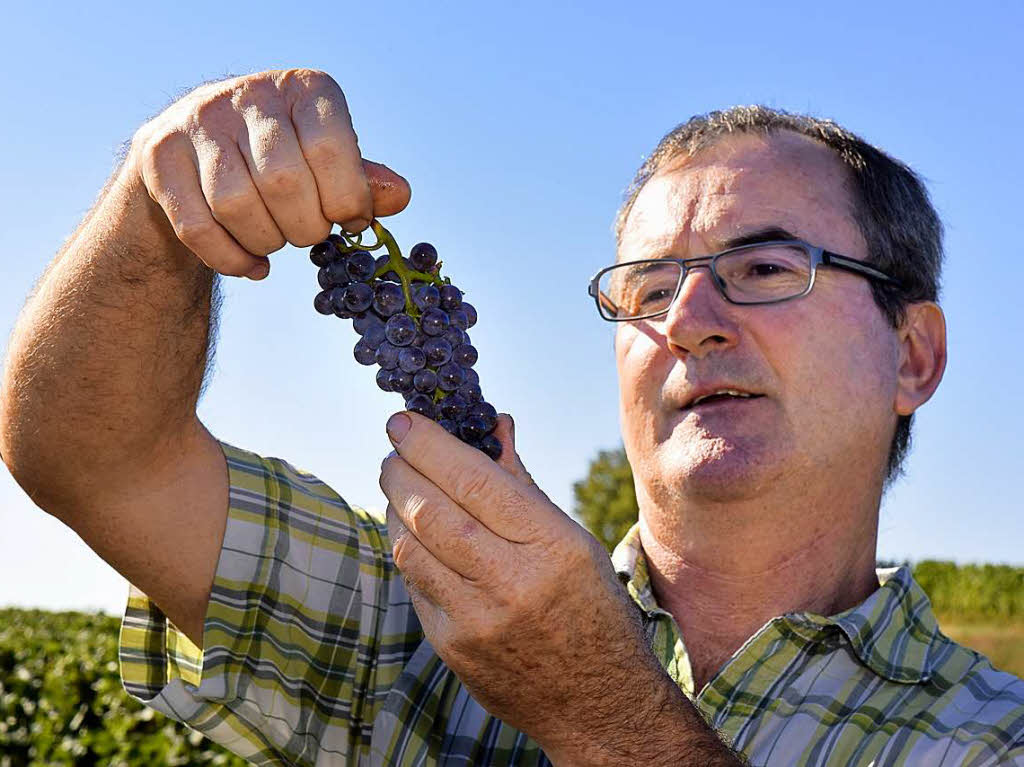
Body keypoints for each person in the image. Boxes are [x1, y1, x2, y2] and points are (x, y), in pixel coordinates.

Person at [0, 68, 1021, 766]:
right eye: (647, 289)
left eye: (761, 266)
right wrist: (155, 197)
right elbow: (91, 455)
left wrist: (593, 705)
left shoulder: (990, 734)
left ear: (913, 353)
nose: (689, 322)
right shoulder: (415, 629)